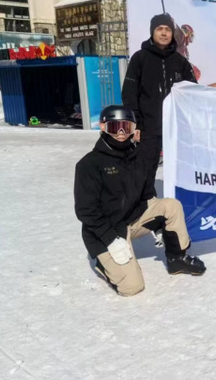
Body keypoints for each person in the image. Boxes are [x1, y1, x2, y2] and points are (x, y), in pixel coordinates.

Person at [74, 105, 206, 297]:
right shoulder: (89, 164)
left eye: (125, 127)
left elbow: (146, 195)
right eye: (114, 127)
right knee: (131, 288)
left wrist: (160, 224)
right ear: (103, 127)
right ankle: (103, 264)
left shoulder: (138, 158)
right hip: (105, 231)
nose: (120, 133)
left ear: (133, 128)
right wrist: (111, 240)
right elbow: (86, 211)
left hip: (132, 219)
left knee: (171, 206)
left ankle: (177, 258)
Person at [122, 13, 197, 194]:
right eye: (159, 29)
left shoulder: (181, 62)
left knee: (182, 169)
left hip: (176, 127)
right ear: (152, 32)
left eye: (168, 30)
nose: (164, 33)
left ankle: (179, 206)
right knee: (145, 171)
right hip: (148, 127)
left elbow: (193, 92)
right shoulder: (140, 58)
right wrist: (135, 123)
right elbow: (129, 93)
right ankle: (145, 208)